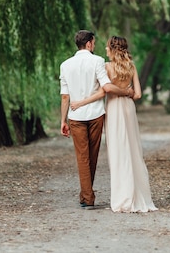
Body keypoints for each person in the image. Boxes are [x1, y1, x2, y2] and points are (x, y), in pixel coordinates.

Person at [71, 35, 157, 213]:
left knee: (118, 152)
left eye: (107, 47)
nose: (104, 50)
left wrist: (81, 103)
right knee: (133, 150)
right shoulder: (131, 66)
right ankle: (139, 196)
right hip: (129, 109)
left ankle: (123, 198)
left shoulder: (106, 67)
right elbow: (138, 94)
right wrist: (127, 92)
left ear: (112, 49)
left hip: (115, 109)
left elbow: (103, 92)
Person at [59, 30, 133, 208]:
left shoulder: (65, 65)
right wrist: (126, 92)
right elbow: (105, 86)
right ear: (90, 44)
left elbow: (64, 96)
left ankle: (86, 196)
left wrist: (63, 121)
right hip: (96, 115)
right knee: (91, 156)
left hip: (75, 117)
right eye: (94, 42)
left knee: (82, 157)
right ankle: (87, 196)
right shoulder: (98, 61)